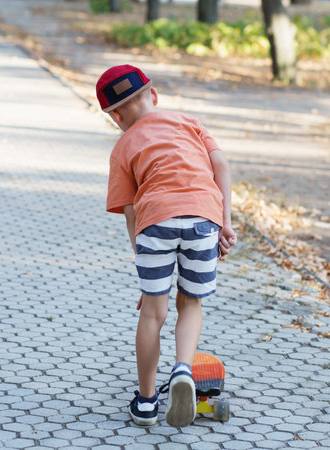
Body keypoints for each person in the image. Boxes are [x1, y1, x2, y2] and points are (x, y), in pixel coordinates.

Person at [96, 64, 237, 427]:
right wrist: (225, 221)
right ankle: (182, 372)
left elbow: (131, 214)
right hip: (204, 217)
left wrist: (147, 270)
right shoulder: (189, 122)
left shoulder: (122, 147)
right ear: (153, 96)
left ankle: (145, 403)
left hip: (155, 222)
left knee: (152, 314)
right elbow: (220, 165)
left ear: (115, 115)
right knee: (190, 303)